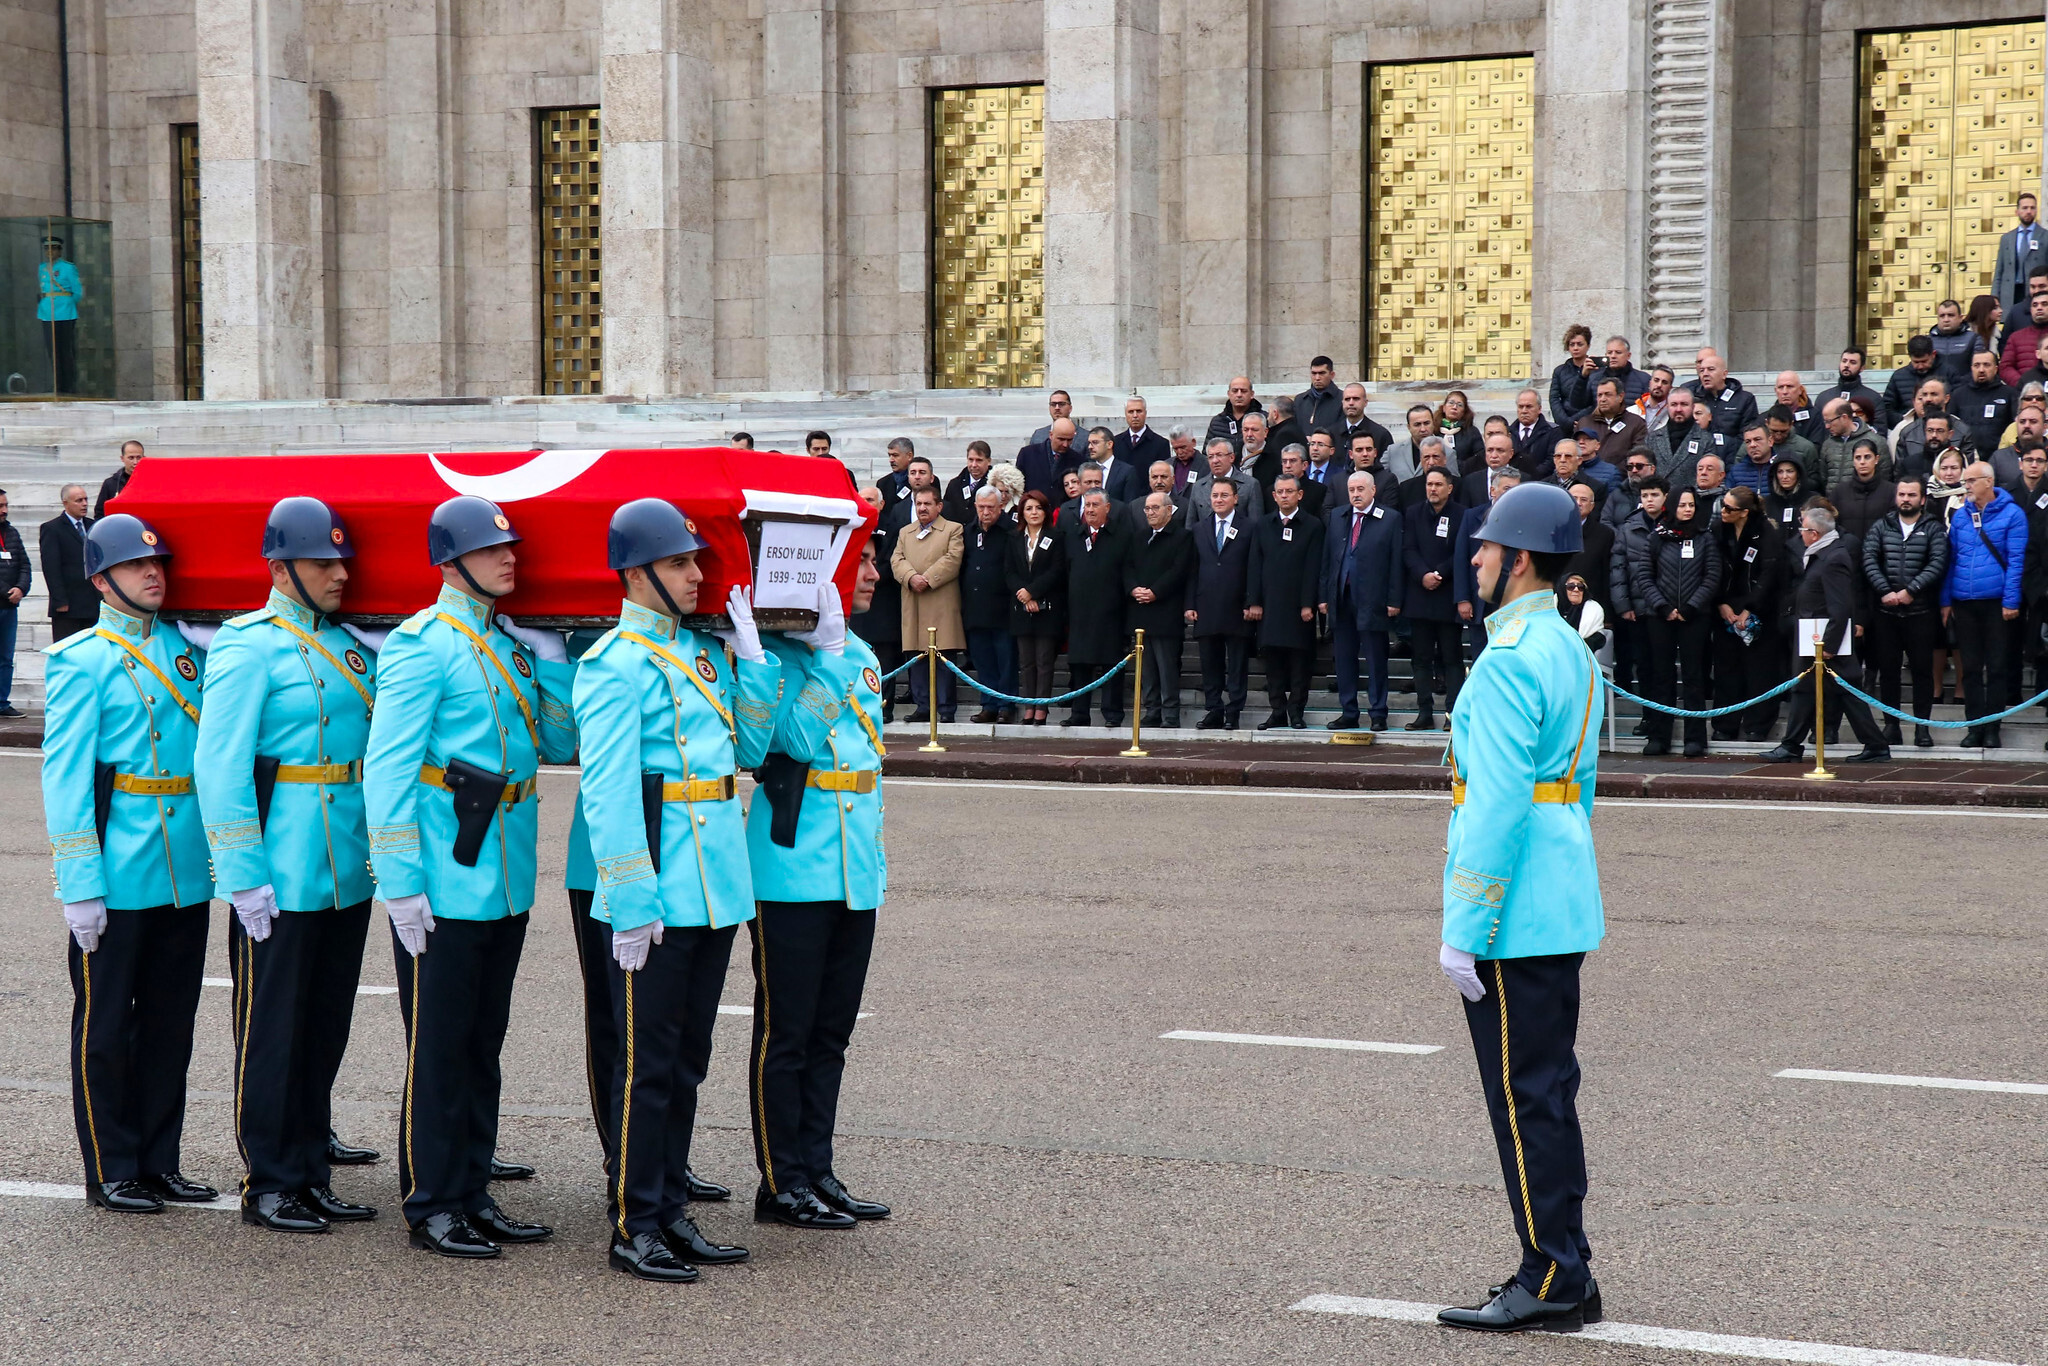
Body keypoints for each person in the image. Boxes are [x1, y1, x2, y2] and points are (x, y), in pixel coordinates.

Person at [364, 495, 578, 1258]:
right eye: (492, 550)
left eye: (511, 547)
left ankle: (473, 1187)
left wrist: (553, 665)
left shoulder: (506, 644)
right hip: (444, 876)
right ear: (451, 563)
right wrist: (399, 879)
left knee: (484, 1039)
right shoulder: (424, 645)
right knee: (441, 1042)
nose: (509, 557)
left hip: (505, 868)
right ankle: (433, 1202)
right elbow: (386, 767)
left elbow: (557, 742)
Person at [570, 499, 776, 1281]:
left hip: (715, 885)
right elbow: (610, 791)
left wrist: (752, 659)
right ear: (637, 574)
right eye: (683, 563)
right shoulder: (614, 664)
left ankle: (671, 1209)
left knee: (687, 1060)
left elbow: (747, 752)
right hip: (656, 890)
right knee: (646, 1065)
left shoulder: (698, 654)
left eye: (696, 561)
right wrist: (630, 896)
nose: (699, 576)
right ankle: (636, 1223)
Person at [1432, 481, 1606, 1336]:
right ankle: (1567, 1263)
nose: (1475, 558)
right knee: (1547, 1092)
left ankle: (1550, 1273)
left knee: (1523, 1099)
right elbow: (1578, 788)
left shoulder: (1506, 662)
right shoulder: (1570, 650)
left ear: (1521, 559)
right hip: (1561, 896)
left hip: (1513, 913)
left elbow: (1495, 807)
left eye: (1487, 547)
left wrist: (1463, 927)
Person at [194, 498, 379, 1234]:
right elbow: (221, 765)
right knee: (273, 1027)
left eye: (342, 562)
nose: (339, 574)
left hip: (344, 868)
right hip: (281, 866)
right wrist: (242, 872)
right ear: (280, 569)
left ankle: (310, 1167)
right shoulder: (247, 646)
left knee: (325, 1023)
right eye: (322, 563)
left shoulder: (348, 644)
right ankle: (268, 1179)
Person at [41, 513, 217, 1215]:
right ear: (100, 579)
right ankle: (113, 1165)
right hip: (118, 870)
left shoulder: (187, 651)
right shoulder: (79, 660)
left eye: (158, 565)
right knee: (109, 1025)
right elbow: (66, 781)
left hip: (181, 868)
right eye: (136, 566)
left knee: (173, 1021)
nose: (154, 574)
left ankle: (160, 1157)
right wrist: (81, 885)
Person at [746, 549, 891, 1231]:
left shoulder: (854, 645)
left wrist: (836, 649)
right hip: (791, 865)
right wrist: (827, 655)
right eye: (860, 563)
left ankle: (816, 1168)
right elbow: (790, 741)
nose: (872, 576)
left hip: (853, 864)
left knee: (832, 1031)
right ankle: (780, 1182)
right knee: (788, 1030)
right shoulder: (776, 653)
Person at [1760, 504, 1892, 764]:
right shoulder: (1824, 554)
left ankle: (1874, 745)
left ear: (1815, 533)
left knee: (1847, 693)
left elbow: (1840, 605)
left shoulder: (1834, 558)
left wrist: (1829, 643)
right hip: (1814, 636)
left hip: (1824, 639)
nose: (1800, 533)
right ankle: (1793, 745)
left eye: (1803, 529)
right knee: (1807, 691)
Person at [1627, 487, 1722, 757]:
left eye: (1691, 504)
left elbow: (1712, 576)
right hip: (1661, 616)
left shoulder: (1705, 538)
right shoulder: (1657, 538)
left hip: (1695, 617)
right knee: (1661, 677)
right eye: (1682, 505)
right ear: (1672, 507)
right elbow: (1644, 575)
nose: (1688, 509)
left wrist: (1691, 607)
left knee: (1694, 677)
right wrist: (1663, 606)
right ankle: (1659, 736)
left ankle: (1695, 739)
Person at [1942, 462, 2028, 747]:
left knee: (1997, 666)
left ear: (1988, 482)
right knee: (1970, 667)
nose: (1966, 486)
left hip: (1996, 603)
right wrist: (1946, 600)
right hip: (1965, 602)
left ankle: (1993, 726)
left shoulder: (2013, 514)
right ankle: (1974, 724)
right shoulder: (1961, 517)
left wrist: (2011, 600)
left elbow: (2016, 561)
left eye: (1970, 481)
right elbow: (1951, 559)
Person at [1863, 476, 1949, 749]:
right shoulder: (1882, 526)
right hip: (1886, 613)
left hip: (1920, 612)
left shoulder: (1933, 528)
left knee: (1923, 672)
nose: (1905, 499)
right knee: (1888, 672)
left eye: (1911, 495)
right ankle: (1892, 725)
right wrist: (1884, 591)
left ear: (1922, 499)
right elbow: (1869, 559)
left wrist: (1911, 590)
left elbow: (1938, 561)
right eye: (1902, 494)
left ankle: (1923, 727)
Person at [1320, 470, 1403, 730]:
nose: (1356, 494)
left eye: (1360, 489)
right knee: (1344, 659)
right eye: (1352, 490)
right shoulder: (1337, 516)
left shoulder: (1390, 519)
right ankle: (1349, 711)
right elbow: (1327, 558)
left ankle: (1378, 713)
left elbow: (1396, 563)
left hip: (1373, 600)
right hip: (1341, 599)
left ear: (1373, 491)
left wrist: (1394, 599)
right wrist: (1323, 595)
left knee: (1376, 659)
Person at [1710, 487, 1786, 742]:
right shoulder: (1718, 530)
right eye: (1723, 505)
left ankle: (1758, 724)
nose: (1723, 511)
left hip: (1759, 609)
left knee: (1759, 670)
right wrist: (1721, 603)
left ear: (1744, 512)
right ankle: (1725, 723)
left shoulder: (1766, 532)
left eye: (1729, 508)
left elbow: (1770, 573)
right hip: (1725, 607)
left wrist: (1750, 608)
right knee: (1726, 670)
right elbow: (1713, 568)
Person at [1249, 474, 1324, 729]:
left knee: (1299, 662)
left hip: (1298, 606)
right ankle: (1277, 710)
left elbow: (1313, 567)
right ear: (1273, 496)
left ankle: (1296, 711)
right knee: (1273, 661)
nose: (1284, 496)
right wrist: (1254, 601)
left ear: (1299, 495)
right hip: (1270, 605)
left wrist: (1307, 603)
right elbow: (1254, 565)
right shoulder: (1263, 524)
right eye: (1279, 492)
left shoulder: (1312, 526)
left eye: (1289, 491)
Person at [1185, 479, 1258, 729]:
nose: (1218, 500)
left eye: (1224, 495)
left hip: (1237, 607)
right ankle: (1214, 709)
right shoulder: (1199, 528)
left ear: (1235, 498)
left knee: (1237, 663)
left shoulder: (1249, 528)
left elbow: (1254, 569)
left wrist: (1252, 602)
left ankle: (1234, 710)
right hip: (1206, 606)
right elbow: (1192, 569)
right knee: (1210, 663)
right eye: (1215, 495)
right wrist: (1190, 603)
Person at [890, 486, 964, 724]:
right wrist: (911, 577)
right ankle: (923, 705)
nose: (922, 508)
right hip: (913, 603)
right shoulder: (905, 532)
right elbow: (896, 559)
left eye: (927, 504)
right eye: (919, 504)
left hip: (940, 604)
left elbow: (952, 560)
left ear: (939, 506)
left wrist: (927, 579)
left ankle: (945, 708)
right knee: (916, 657)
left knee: (943, 659)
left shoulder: (952, 529)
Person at [1061, 489, 1133, 726]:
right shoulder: (1074, 536)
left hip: (1111, 613)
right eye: (1087, 505)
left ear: (1107, 508)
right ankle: (1079, 713)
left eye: (1095, 505)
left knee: (1112, 665)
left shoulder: (1122, 536)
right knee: (1080, 665)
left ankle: (1112, 714)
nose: (1090, 510)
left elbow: (1127, 574)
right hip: (1080, 613)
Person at [1401, 467, 1465, 731]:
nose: (1433, 489)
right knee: (1421, 659)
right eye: (1429, 484)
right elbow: (1408, 550)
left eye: (1438, 484)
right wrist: (1423, 574)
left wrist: (1439, 573)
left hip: (1448, 595)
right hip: (1420, 595)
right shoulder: (1413, 513)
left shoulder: (1462, 514)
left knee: (1451, 658)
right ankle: (1424, 712)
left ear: (1449, 488)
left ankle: (1453, 714)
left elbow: (1461, 551)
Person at [1125, 490, 1192, 728]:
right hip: (1141, 611)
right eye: (1147, 509)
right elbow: (1128, 567)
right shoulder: (1139, 536)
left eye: (1155, 508)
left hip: (1166, 611)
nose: (1150, 513)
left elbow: (1179, 570)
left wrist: (1155, 591)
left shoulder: (1182, 537)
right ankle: (1151, 710)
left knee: (1166, 667)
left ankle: (1170, 713)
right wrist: (1134, 589)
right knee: (1147, 668)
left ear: (1169, 510)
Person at [1005, 490, 1066, 726]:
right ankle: (1028, 706)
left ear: (1045, 511)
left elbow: (1057, 570)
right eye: (1029, 508)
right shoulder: (1013, 537)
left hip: (1047, 609)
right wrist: (1023, 593)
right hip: (1021, 608)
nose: (1033, 512)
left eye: (1038, 508)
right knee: (1026, 662)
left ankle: (1042, 707)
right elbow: (1009, 571)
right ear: (1022, 512)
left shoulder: (1056, 536)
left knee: (1043, 661)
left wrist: (1034, 591)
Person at [959, 487, 1019, 724]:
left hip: (1003, 609)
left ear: (1000, 506)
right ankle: (988, 704)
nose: (985, 512)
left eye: (990, 508)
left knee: (1005, 660)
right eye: (981, 507)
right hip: (975, 608)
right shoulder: (968, 531)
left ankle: (1006, 704)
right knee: (983, 661)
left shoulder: (1011, 531)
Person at [1606, 475, 1667, 698]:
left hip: (1667, 607)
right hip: (1638, 607)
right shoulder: (1628, 528)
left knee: (1663, 666)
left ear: (1665, 497)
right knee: (1643, 665)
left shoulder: (1674, 526)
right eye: (1645, 495)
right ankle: (1647, 716)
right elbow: (1618, 568)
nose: (1649, 500)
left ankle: (1664, 717)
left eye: (1654, 495)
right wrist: (1623, 604)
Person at [848, 487, 905, 721]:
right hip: (860, 608)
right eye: (863, 500)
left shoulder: (892, 529)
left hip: (884, 606)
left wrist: (868, 576)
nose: (867, 503)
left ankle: (885, 707)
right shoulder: (853, 527)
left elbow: (890, 563)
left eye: (871, 500)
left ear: (881, 504)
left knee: (885, 661)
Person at [39, 482, 95, 642]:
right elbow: (51, 567)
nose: (84, 504)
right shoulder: (52, 529)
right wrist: (60, 600)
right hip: (68, 605)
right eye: (78, 500)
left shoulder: (93, 525)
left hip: (92, 602)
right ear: (65, 503)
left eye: (85, 499)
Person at [1184, 437, 1264, 529]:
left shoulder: (1250, 485)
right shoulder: (1198, 487)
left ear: (1231, 457)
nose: (1215, 461)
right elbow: (1190, 526)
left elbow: (1256, 524)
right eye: (1211, 457)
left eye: (1219, 455)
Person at [39, 235, 83, 394]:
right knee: (52, 351)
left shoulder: (68, 268)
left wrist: (67, 304)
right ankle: (57, 385)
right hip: (46, 312)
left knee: (65, 351)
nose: (50, 252)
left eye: (53, 248)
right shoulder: (42, 268)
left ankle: (68, 386)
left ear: (59, 250)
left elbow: (77, 292)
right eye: (47, 248)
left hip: (65, 312)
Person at [1827, 442, 1895, 543]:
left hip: (1880, 550)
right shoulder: (1840, 491)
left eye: (1867, 457)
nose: (1862, 462)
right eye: (1858, 458)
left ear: (1876, 459)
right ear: (1853, 461)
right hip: (1847, 551)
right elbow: (1832, 525)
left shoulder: (1891, 491)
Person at [1565, 482, 1614, 614]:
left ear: (1592, 506)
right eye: (1574, 498)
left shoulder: (1605, 534)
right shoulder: (1552, 530)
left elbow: (1606, 575)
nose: (1578, 503)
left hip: (1591, 605)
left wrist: (1606, 613)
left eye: (1584, 500)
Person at [1819, 397, 1892, 486]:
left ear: (1844, 417)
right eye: (1825, 422)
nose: (1827, 426)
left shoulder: (1876, 441)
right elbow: (1823, 479)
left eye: (1829, 421)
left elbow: (1885, 477)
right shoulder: (1828, 444)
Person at [1994, 192, 2047, 312]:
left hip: (2036, 293)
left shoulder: (2045, 236)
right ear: (2017, 211)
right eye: (2025, 208)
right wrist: (1995, 297)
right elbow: (1999, 271)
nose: (2029, 211)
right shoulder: (2007, 239)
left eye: (2032, 208)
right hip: (2010, 293)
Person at [0, 487, 27, 716]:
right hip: (5, 599)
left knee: (6, 657)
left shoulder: (12, 534)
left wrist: (21, 588)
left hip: (9, 607)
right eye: (0, 506)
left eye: (6, 505)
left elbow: (25, 565)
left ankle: (2, 702)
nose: (4, 510)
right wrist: (6, 591)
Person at [1649, 387, 1705, 485]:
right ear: (1667, 407)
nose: (1678, 409)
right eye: (1674, 405)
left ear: (1693, 407)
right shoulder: (1652, 438)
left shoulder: (1706, 440)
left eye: (1684, 404)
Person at [1016, 417, 1080, 498]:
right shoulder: (1027, 454)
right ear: (1051, 435)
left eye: (1069, 440)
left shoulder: (1077, 459)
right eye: (1061, 439)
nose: (1065, 444)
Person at [1549, 323, 1596, 427]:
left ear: (1588, 346)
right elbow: (1554, 399)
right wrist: (1565, 421)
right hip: (1565, 424)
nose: (1575, 348)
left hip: (1589, 422)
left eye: (1580, 344)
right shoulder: (1560, 371)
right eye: (1572, 344)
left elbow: (1596, 400)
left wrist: (1579, 419)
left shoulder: (1596, 370)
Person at [1113, 396, 1172, 476]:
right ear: (1125, 414)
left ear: (1145, 413)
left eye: (1139, 411)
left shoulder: (1161, 444)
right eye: (1131, 412)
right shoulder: (1115, 442)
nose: (1135, 415)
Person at [941, 440, 995, 523]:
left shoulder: (995, 485)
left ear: (988, 461)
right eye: (971, 460)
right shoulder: (954, 484)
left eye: (979, 460)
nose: (974, 465)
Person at [1337, 382, 1394, 458]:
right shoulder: (1332, 434)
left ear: (1365, 402)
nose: (1351, 403)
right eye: (1347, 399)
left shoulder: (1381, 435)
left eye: (1356, 399)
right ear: (1342, 403)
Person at [1206, 376, 1263, 450]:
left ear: (1252, 394)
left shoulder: (1264, 419)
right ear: (1229, 394)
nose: (1239, 395)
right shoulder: (1217, 422)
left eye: (1243, 391)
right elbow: (1206, 453)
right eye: (1235, 391)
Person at [1509, 389, 1558, 471]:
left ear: (1539, 409)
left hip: (1540, 480)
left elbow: (1551, 460)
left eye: (1529, 406)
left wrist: (1532, 475)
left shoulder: (1553, 431)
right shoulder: (1508, 433)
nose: (1524, 411)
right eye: (1521, 406)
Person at [1296, 355, 1345, 435]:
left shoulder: (1343, 399)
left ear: (1332, 375)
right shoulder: (1300, 400)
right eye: (1314, 373)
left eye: (1322, 373)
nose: (1317, 378)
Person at [1436, 389, 1482, 472]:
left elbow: (1479, 457)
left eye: (1459, 405)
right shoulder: (1434, 430)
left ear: (1464, 411)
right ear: (1444, 408)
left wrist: (1458, 465)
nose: (1454, 407)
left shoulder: (1472, 432)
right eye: (1451, 403)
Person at [97, 441, 144, 518]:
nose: (135, 462)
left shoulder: (151, 483)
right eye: (131, 458)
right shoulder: (110, 484)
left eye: (138, 458)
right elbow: (100, 513)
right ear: (122, 458)